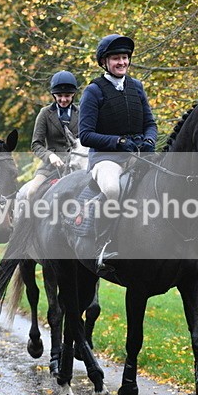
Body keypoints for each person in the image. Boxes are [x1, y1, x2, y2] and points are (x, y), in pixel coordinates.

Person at [77, 34, 157, 271]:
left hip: (137, 156)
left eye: (125, 58)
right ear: (105, 62)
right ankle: (105, 244)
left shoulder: (137, 87)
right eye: (116, 59)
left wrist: (150, 139)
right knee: (113, 189)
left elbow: (150, 123)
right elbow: (86, 135)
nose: (122, 62)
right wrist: (118, 142)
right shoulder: (93, 91)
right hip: (105, 159)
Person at [27, 70, 81, 200]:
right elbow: (36, 144)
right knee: (32, 192)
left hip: (76, 164)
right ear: (53, 95)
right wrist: (50, 156)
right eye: (59, 95)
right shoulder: (45, 113)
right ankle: (28, 220)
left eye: (67, 95)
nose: (63, 99)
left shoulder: (81, 113)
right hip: (50, 167)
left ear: (73, 95)